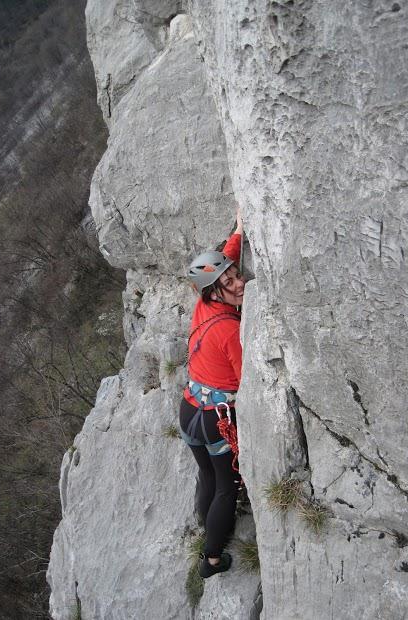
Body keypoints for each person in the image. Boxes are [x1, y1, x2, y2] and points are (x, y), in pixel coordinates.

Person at [180, 208, 245, 578]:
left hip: (189, 410)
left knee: (207, 476)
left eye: (236, 276)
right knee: (226, 487)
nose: (238, 283)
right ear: (213, 290)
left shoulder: (203, 304)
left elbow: (224, 261)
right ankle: (212, 559)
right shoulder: (230, 331)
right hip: (214, 419)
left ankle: (208, 527)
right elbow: (243, 380)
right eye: (229, 282)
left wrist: (237, 232)